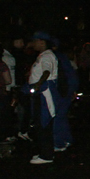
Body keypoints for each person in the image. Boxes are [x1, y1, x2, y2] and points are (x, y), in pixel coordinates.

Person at [26, 31, 59, 164]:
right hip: (42, 92)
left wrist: (38, 85)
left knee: (44, 122)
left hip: (44, 93)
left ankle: (46, 155)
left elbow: (46, 72)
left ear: (42, 42)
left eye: (35, 41)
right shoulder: (43, 55)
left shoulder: (47, 56)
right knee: (40, 122)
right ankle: (44, 152)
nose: (33, 44)